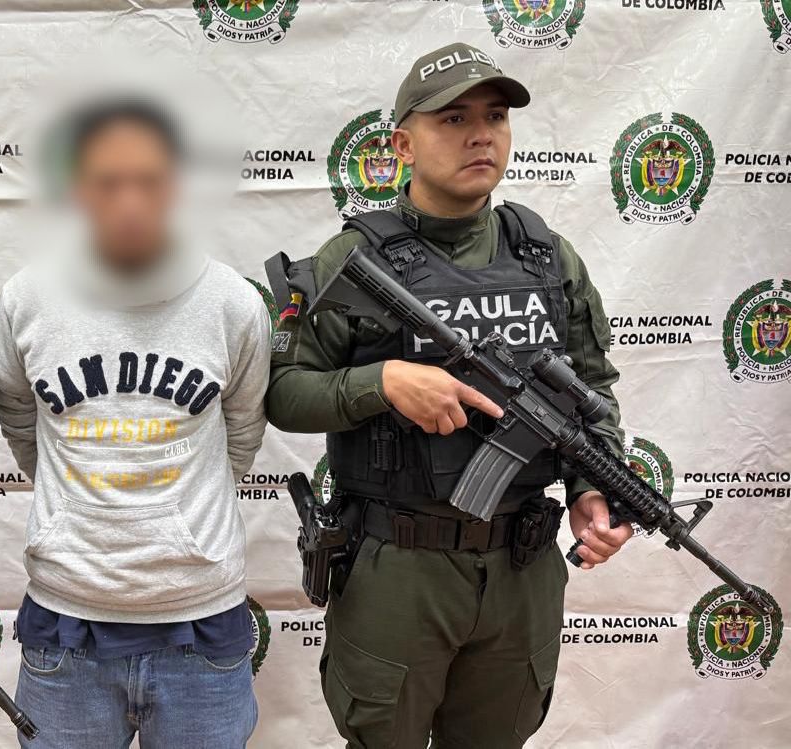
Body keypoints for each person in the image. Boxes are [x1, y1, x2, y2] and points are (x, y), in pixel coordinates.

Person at [266, 42, 633, 748]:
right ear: (403, 145)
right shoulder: (355, 260)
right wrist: (382, 383)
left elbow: (593, 391)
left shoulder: (547, 257)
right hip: (399, 566)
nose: (481, 135)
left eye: (495, 116)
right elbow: (284, 393)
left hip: (522, 565)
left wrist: (594, 486)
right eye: (454, 118)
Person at [0, 97, 270, 749]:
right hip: (66, 627)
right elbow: (17, 414)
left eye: (149, 181)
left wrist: (184, 517)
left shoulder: (232, 303)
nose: (130, 201)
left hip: (202, 624)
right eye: (108, 182)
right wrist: (67, 512)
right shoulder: (27, 298)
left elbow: (243, 427)